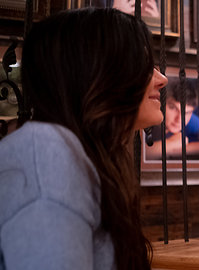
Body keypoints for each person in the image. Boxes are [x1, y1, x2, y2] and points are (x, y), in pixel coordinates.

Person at [0, 8, 167, 270]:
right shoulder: (45, 153)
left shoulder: (92, 157)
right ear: (99, 73)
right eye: (144, 65)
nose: (162, 79)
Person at [145, 77, 199, 160]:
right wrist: (170, 144)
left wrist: (182, 147)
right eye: (173, 108)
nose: (179, 119)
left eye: (187, 112)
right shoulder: (148, 118)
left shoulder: (191, 119)